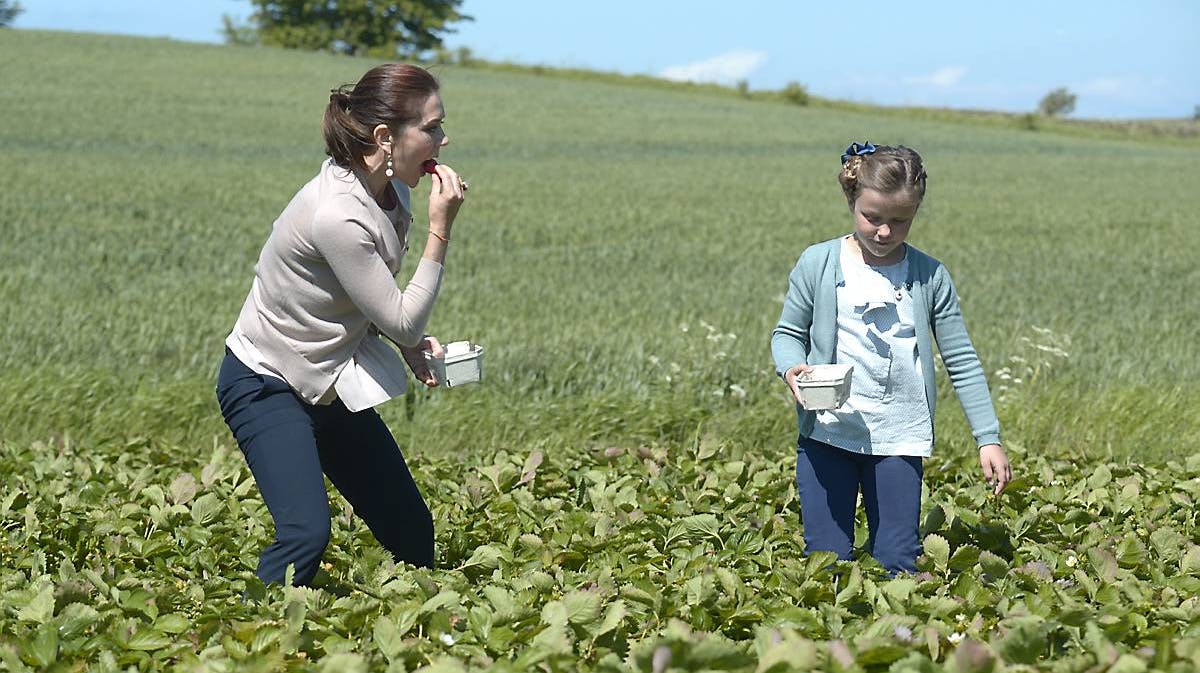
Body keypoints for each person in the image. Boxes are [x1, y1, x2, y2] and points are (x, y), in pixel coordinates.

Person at [215, 63, 467, 586]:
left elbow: (367, 301)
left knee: (412, 531)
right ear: (384, 137)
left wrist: (412, 345)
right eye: (433, 127)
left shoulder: (392, 191)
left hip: (325, 380)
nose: (444, 138)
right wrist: (441, 230)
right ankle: (246, 641)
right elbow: (399, 317)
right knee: (307, 533)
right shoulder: (337, 213)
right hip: (266, 382)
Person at [770, 141, 1011, 575]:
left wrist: (987, 437)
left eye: (900, 221)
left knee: (897, 561)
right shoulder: (818, 263)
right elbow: (787, 334)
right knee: (826, 563)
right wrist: (793, 369)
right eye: (872, 217)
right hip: (827, 434)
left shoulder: (930, 276)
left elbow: (962, 359)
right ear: (851, 200)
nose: (884, 231)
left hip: (900, 436)